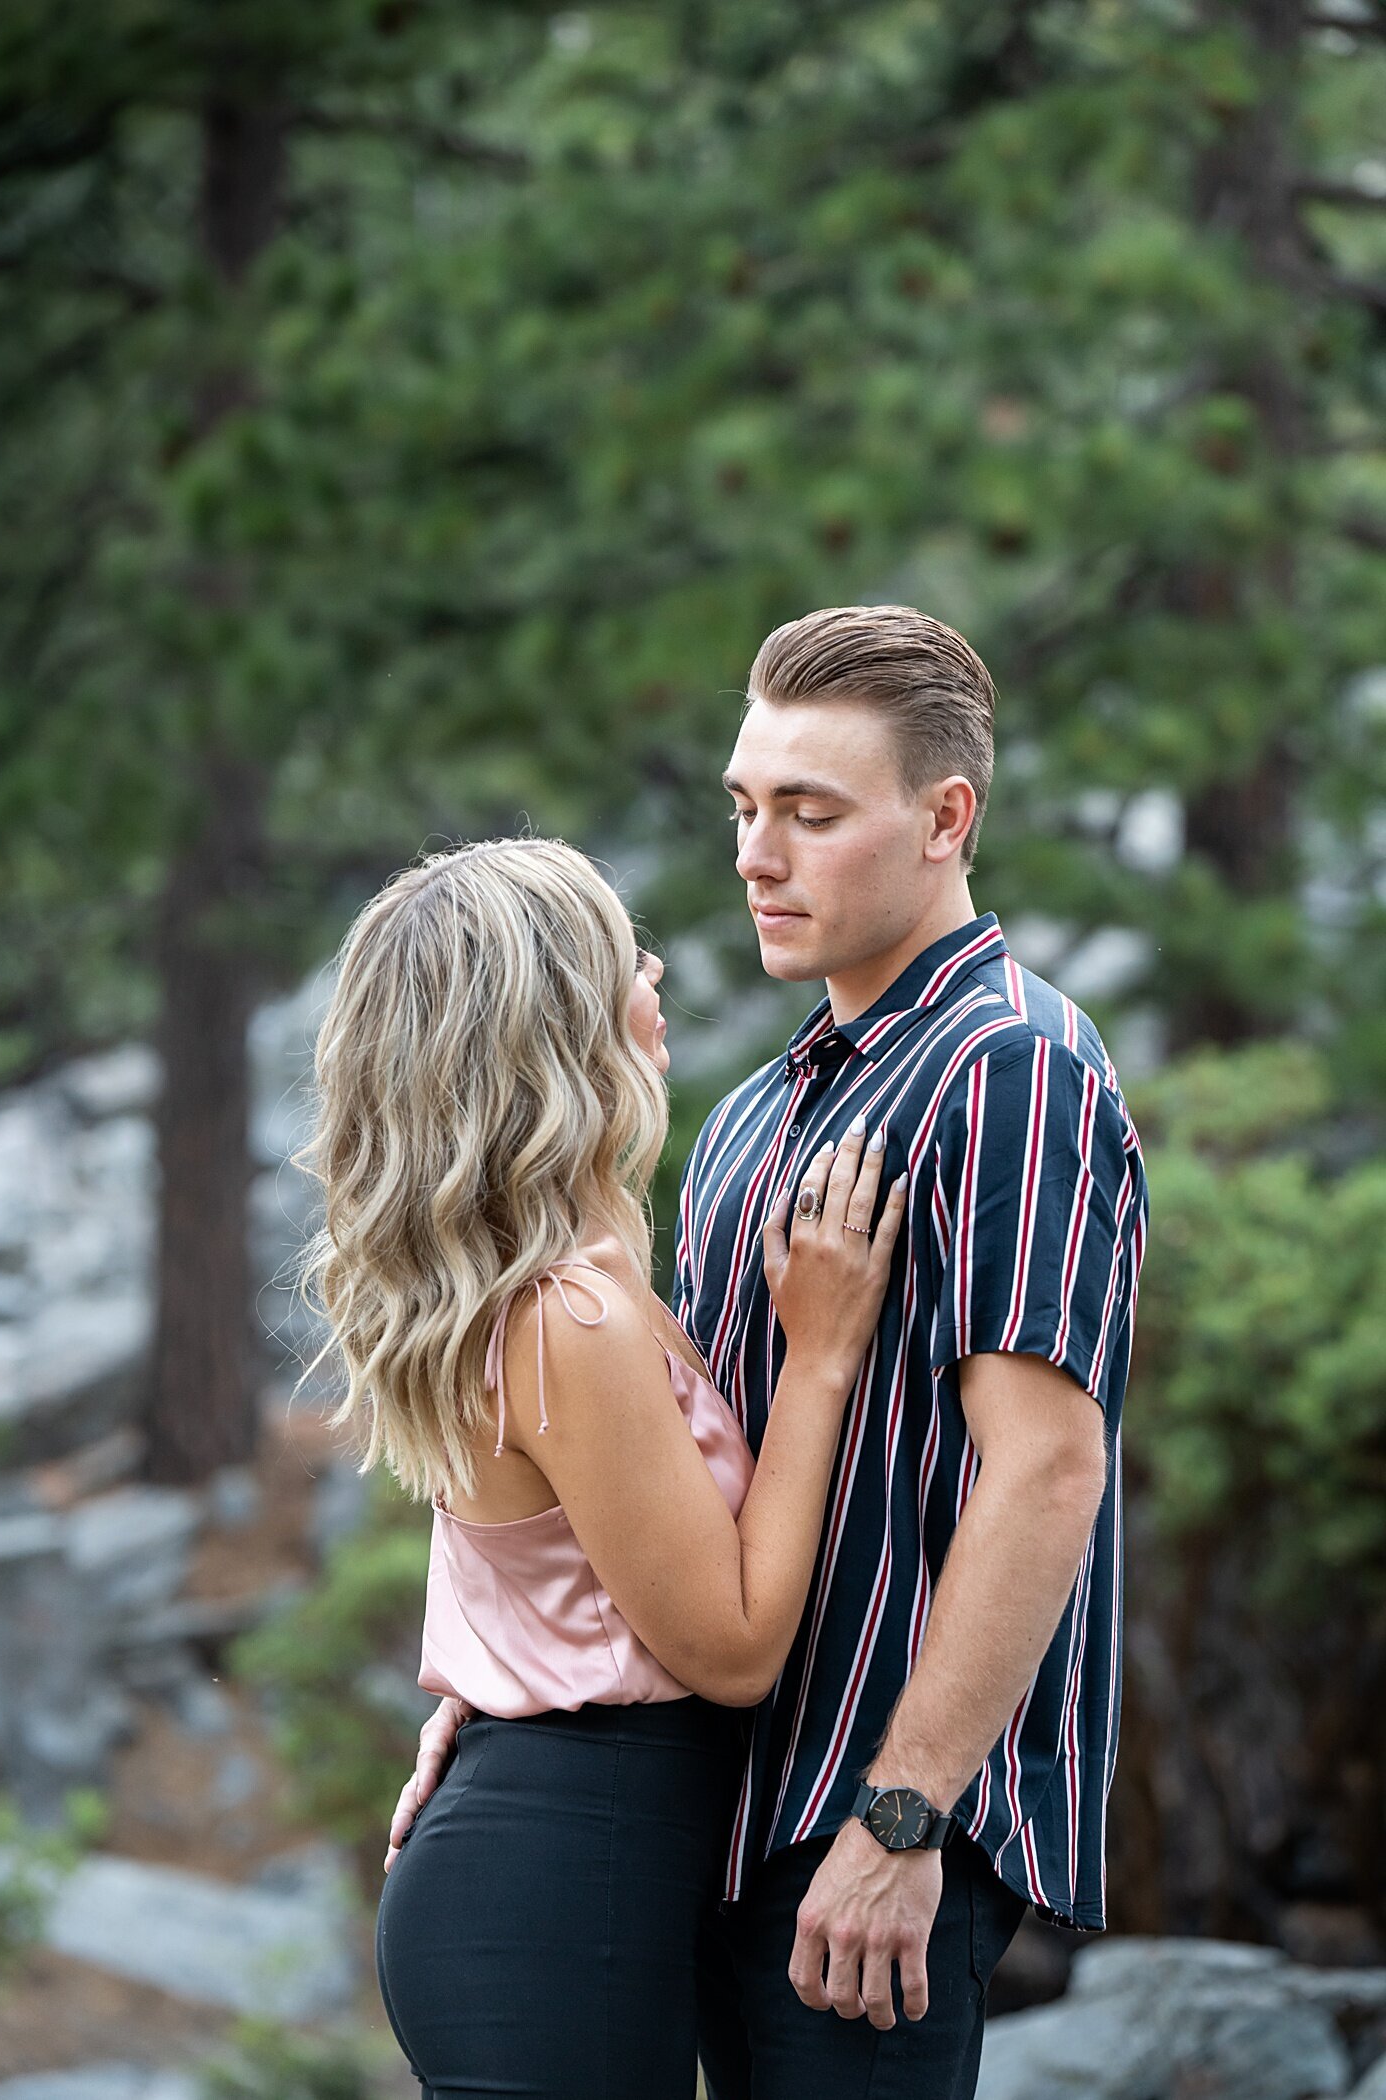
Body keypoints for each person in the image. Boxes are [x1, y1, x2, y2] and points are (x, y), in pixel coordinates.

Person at [392, 606, 1150, 2100]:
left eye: (812, 813)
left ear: (948, 819)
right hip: (713, 1820)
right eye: (746, 808)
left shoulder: (1015, 1070)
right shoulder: (745, 1119)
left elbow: (1051, 1469)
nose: (757, 853)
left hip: (866, 1843)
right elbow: (647, 1480)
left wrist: (909, 1817)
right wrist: (504, 1692)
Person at [299, 836, 908, 2100]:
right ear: (558, 1021)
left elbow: (544, 1574)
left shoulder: (560, 1285)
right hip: (559, 1887)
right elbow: (733, 1647)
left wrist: (483, 1696)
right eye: (623, 953)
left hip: (553, 1866)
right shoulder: (567, 1314)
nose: (658, 967)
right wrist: (822, 1356)